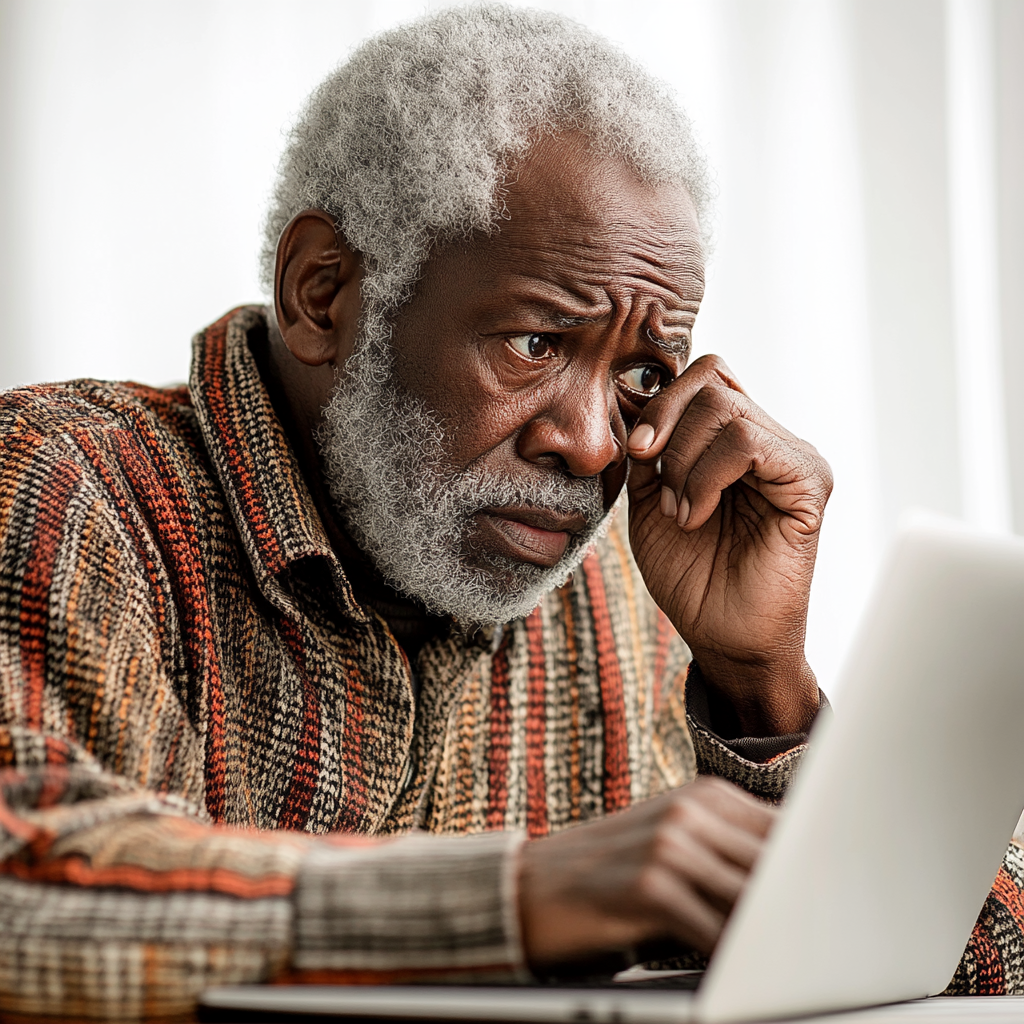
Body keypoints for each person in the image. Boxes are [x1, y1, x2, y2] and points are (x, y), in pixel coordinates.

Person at [0, 5, 1020, 1020]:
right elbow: (21, 884)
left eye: (641, 372)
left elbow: (985, 962)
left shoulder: (628, 592)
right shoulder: (62, 486)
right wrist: (522, 894)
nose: (589, 444)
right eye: (534, 341)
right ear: (323, 295)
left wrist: (762, 687)